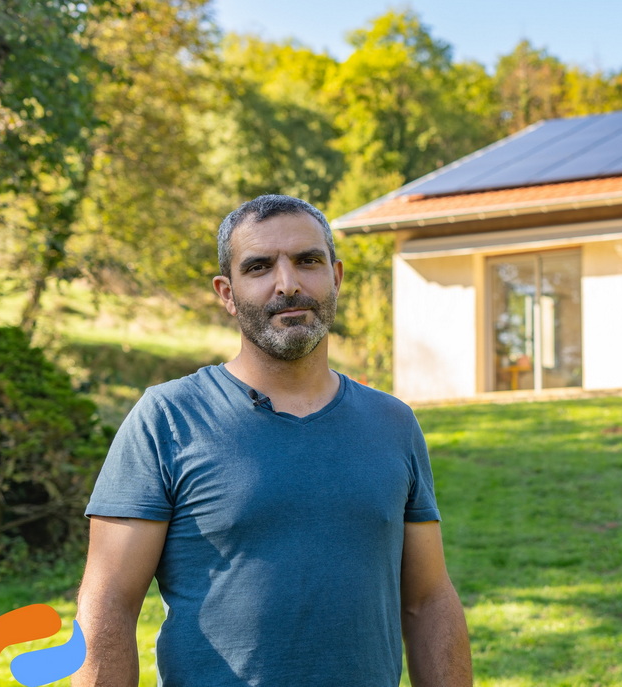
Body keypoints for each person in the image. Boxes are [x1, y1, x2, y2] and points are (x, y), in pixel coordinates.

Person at [73, 195, 472, 687]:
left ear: (337, 276)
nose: (288, 284)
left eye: (308, 261)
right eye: (259, 267)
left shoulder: (392, 422)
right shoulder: (167, 418)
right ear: (227, 293)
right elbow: (108, 605)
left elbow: (428, 600)